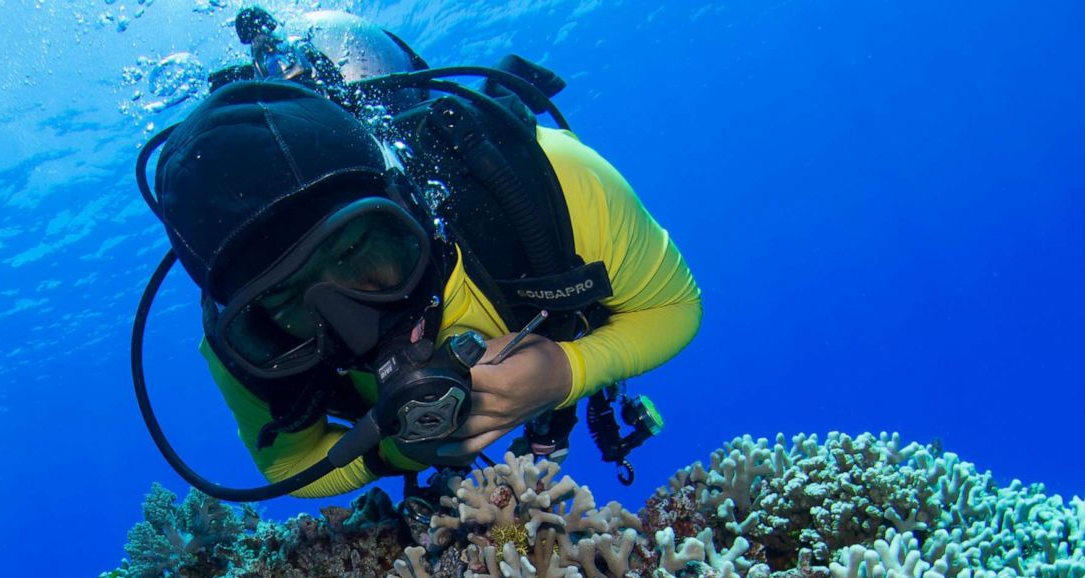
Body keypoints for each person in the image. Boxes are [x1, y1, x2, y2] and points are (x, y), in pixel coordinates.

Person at [132, 9, 700, 501]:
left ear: (410, 202)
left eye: (359, 249)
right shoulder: (240, 348)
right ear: (245, 319)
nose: (360, 325)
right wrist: (396, 454)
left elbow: (677, 306)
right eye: (287, 302)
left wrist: (569, 371)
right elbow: (284, 465)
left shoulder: (544, 177)